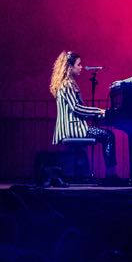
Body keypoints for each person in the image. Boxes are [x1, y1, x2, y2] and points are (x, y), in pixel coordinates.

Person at [49, 50, 117, 178]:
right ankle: (111, 175)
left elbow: (77, 109)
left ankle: (83, 175)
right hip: (73, 129)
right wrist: (99, 111)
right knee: (108, 135)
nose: (81, 67)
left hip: (72, 127)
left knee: (101, 137)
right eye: (78, 64)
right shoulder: (67, 84)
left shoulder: (64, 84)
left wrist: (97, 115)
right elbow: (76, 108)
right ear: (69, 67)